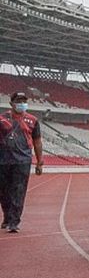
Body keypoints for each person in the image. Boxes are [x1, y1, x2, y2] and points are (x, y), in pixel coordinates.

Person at [0, 92, 43, 233]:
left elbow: (37, 140)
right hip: (3, 160)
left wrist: (39, 161)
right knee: (4, 191)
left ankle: (14, 221)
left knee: (19, 191)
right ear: (11, 103)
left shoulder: (33, 120)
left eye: (24, 101)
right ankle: (7, 216)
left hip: (23, 160)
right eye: (19, 101)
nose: (22, 103)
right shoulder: (2, 119)